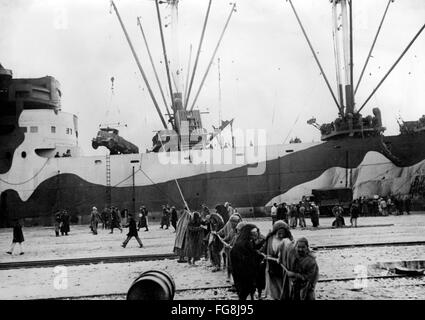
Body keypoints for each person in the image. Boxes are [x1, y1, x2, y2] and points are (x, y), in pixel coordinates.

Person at [230, 224, 264, 300]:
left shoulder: (247, 241)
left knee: (249, 290)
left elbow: (252, 251)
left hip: (247, 273)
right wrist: (258, 256)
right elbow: (248, 257)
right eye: (253, 232)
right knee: (244, 292)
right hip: (242, 273)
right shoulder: (242, 244)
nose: (256, 234)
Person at [261, 221, 293, 300]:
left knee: (283, 284)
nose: (281, 234)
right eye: (279, 232)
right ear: (275, 231)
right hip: (271, 266)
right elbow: (264, 249)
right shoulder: (270, 239)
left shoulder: (287, 241)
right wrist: (263, 254)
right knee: (273, 285)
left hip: (283, 267)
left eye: (283, 232)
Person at [216, 213, 243, 279]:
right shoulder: (232, 230)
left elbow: (235, 241)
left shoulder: (240, 231)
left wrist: (230, 245)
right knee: (229, 264)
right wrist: (222, 239)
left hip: (238, 253)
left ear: (237, 222)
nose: (232, 224)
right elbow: (228, 238)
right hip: (231, 251)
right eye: (231, 222)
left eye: (234, 222)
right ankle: (229, 277)